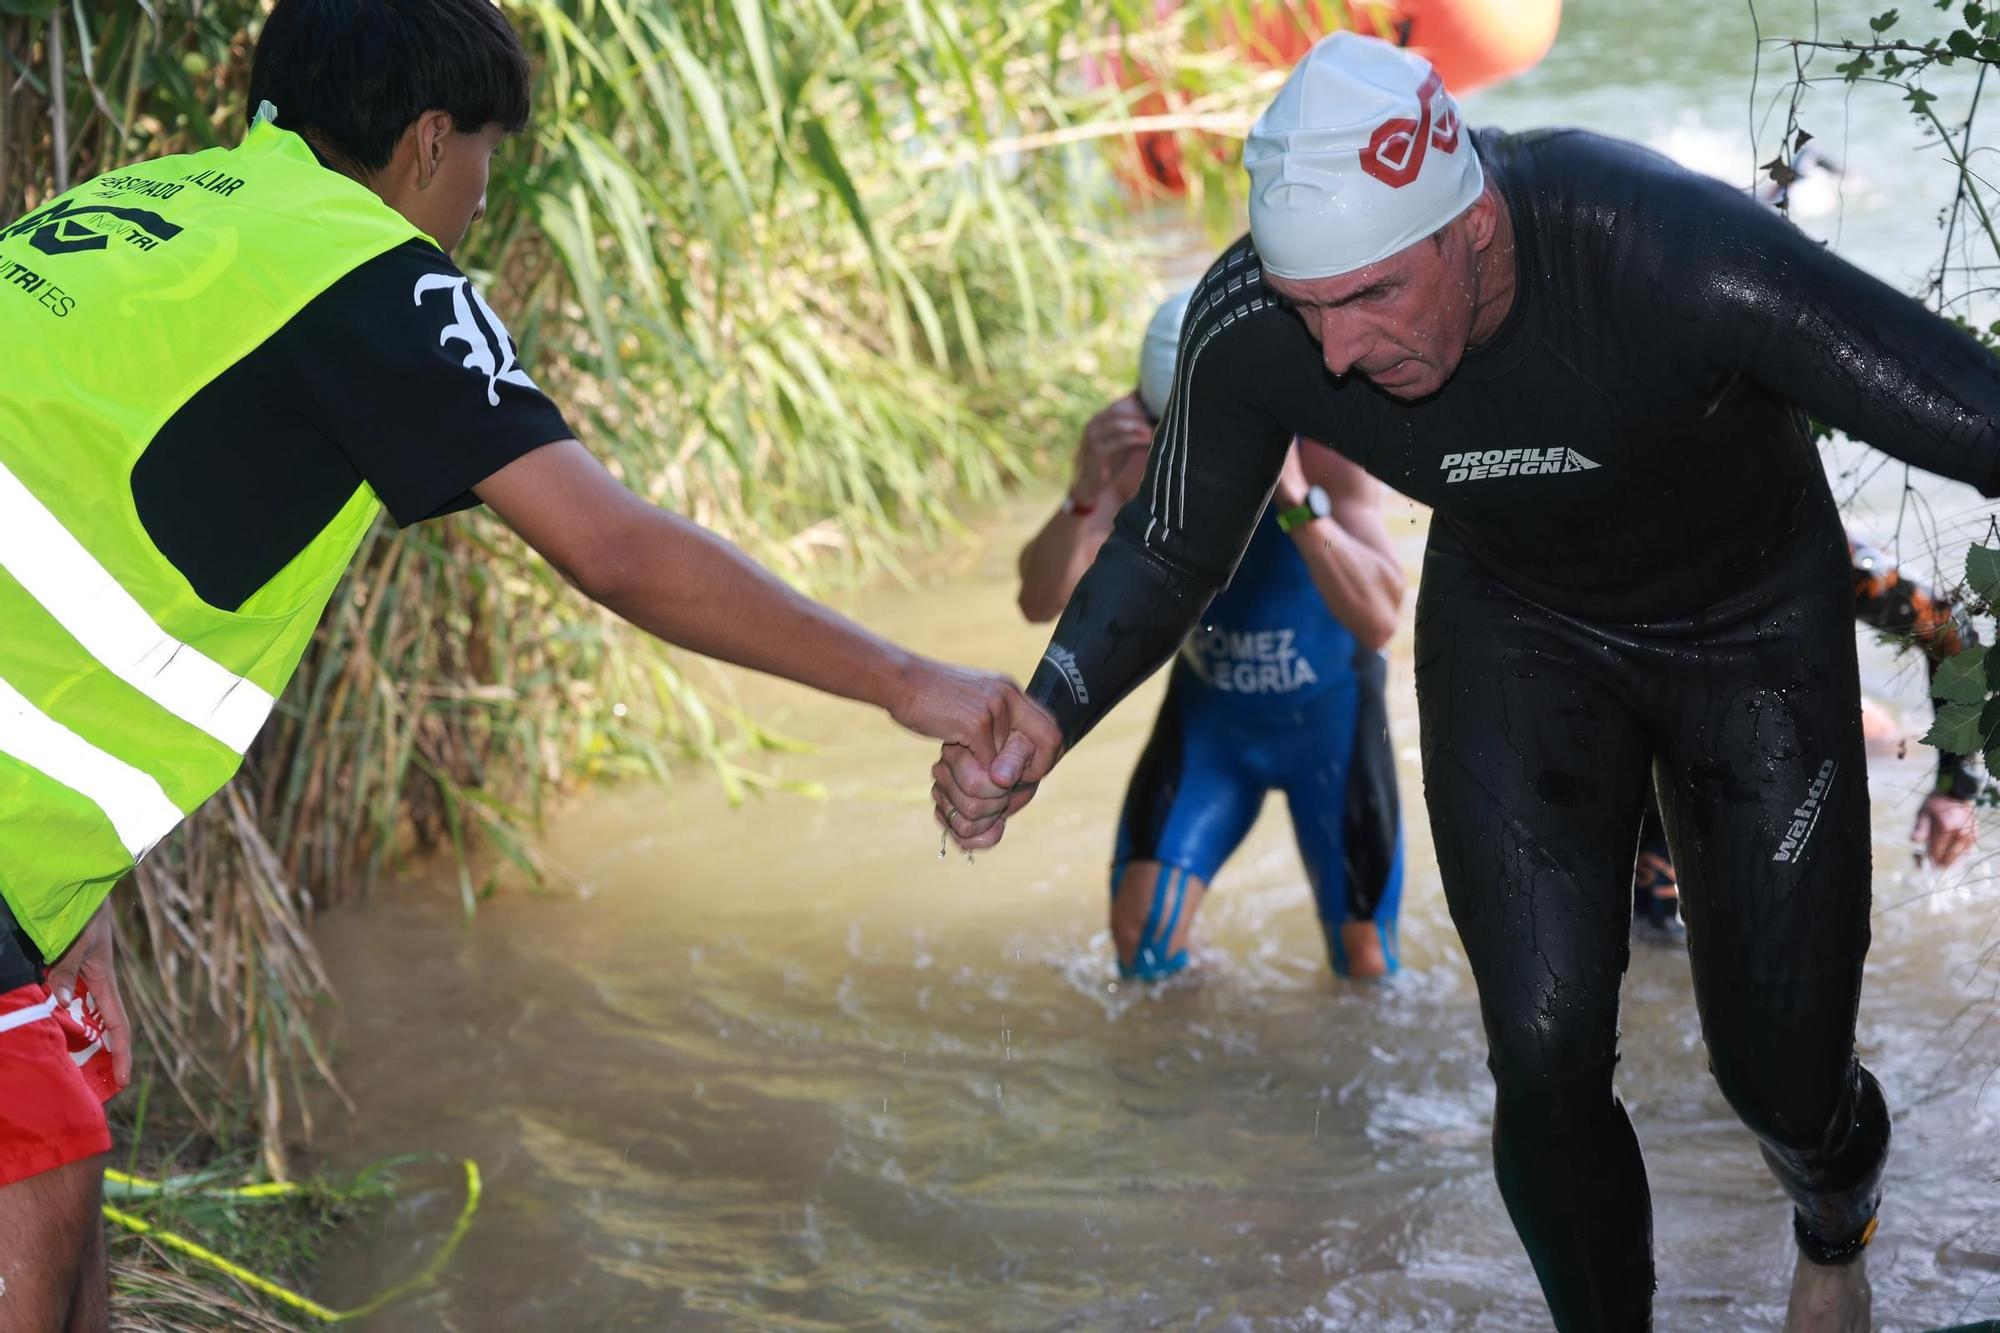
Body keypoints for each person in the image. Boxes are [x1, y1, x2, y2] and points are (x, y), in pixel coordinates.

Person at [0, 3, 1056, 1328]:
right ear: (430, 142)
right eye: (486, 157)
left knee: (67, 1188)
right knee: (31, 1210)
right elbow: (612, 547)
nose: (481, 200)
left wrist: (66, 902)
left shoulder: (138, 206)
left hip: (24, 860)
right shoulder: (375, 272)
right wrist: (917, 683)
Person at [932, 32, 2000, 1332]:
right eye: (1306, 303)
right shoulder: (1260, 319)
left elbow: (1968, 406)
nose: (1332, 352)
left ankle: (1835, 1225)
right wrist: (1045, 710)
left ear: (1475, 225)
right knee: (1544, 1058)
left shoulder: (1658, 246)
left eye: (1371, 297)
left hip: (1748, 627)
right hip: (1523, 625)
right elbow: (1167, 541)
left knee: (1780, 1077)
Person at [1016, 289, 1407, 980]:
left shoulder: (1324, 444)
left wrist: (1295, 506)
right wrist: (1082, 495)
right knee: (1141, 944)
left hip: (1331, 724)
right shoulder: (1133, 449)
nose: (1196, 458)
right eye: (1178, 436)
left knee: (1366, 967)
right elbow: (1038, 599)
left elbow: (1379, 619)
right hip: (1215, 723)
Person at [1634, 533, 1982, 935]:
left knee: (1886, 741)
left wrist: (1955, 788)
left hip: (1757, 744)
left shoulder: (1809, 546)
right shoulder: (1606, 546)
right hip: (1633, 751)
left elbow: (1947, 629)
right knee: (1657, 932)